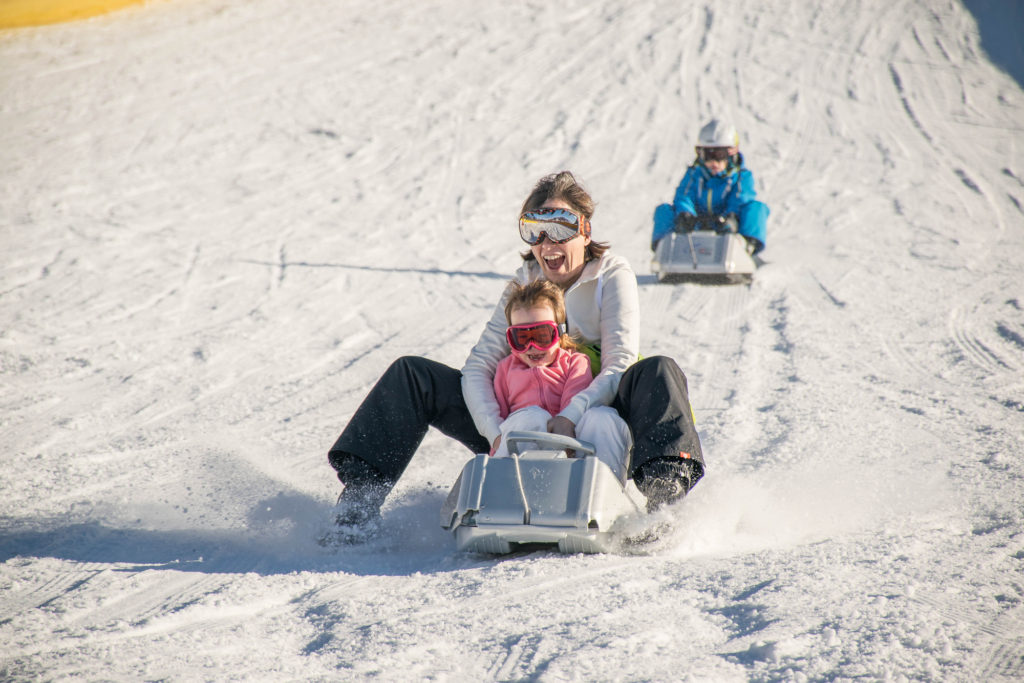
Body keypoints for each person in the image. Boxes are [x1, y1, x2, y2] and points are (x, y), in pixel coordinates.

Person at [327, 171, 705, 543]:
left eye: (559, 228)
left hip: (598, 420)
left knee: (658, 370)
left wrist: (570, 416)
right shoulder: (523, 284)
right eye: (534, 231)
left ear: (584, 231)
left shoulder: (610, 275)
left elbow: (619, 362)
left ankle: (663, 506)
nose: (546, 242)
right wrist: (494, 433)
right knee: (412, 375)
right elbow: (479, 366)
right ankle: (359, 504)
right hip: (521, 424)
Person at [492, 278, 632, 483]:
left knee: (603, 418)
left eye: (541, 336)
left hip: (572, 452)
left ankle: (605, 488)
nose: (531, 346)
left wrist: (565, 444)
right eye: (521, 338)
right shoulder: (505, 369)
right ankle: (500, 486)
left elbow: (572, 404)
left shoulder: (575, 363)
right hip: (525, 458)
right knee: (531, 417)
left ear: (559, 332)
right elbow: (502, 418)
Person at [650, 118, 769, 255]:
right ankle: (665, 250)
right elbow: (684, 195)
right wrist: (685, 214)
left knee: (756, 208)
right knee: (664, 210)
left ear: (731, 153)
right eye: (707, 155)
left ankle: (746, 246)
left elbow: (741, 197)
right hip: (696, 224)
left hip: (727, 226)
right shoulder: (694, 174)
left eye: (719, 155)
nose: (713, 162)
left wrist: (731, 217)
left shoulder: (742, 176)